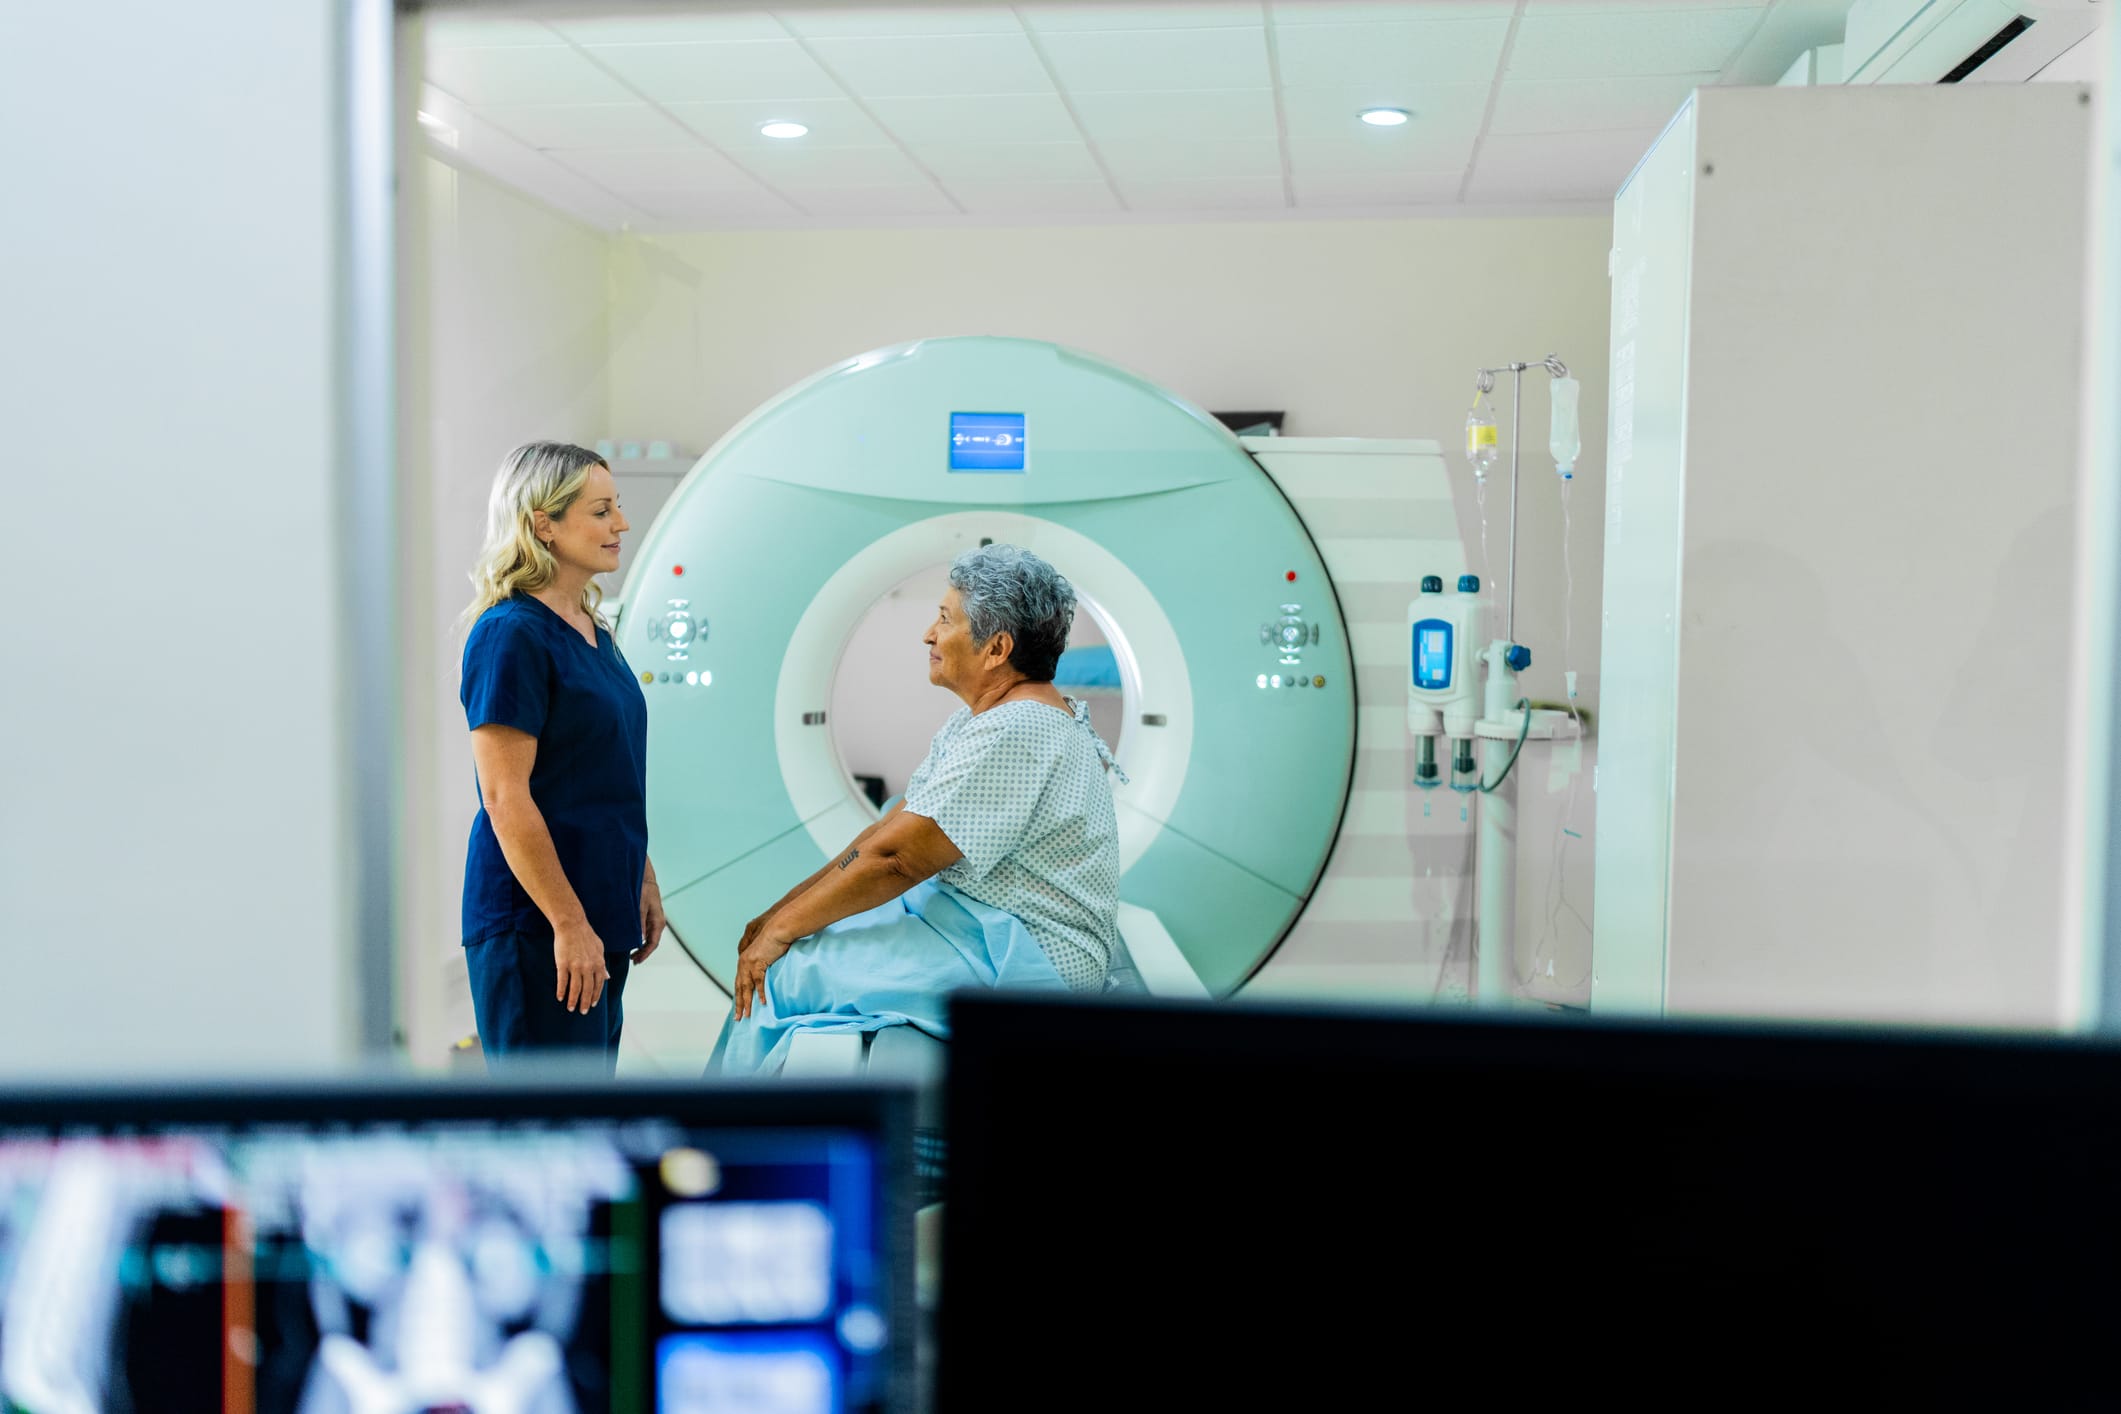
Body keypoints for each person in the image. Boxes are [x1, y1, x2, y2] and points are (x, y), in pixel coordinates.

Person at [709, 544, 1124, 1077]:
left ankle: (742, 1140)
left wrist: (780, 935)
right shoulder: (984, 719)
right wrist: (780, 913)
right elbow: (887, 830)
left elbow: (898, 859)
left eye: (945, 619)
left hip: (1026, 959)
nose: (929, 634)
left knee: (786, 975)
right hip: (975, 925)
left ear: (996, 647)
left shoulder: (1019, 728)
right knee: (805, 941)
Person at [459, 441, 665, 1071]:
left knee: (589, 1114)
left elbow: (605, 772)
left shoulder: (595, 630)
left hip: (598, 911)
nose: (621, 524)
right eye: (601, 510)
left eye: (618, 508)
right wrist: (568, 925)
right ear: (543, 523)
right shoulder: (510, 633)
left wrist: (643, 874)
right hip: (537, 924)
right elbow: (504, 797)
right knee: (545, 1130)